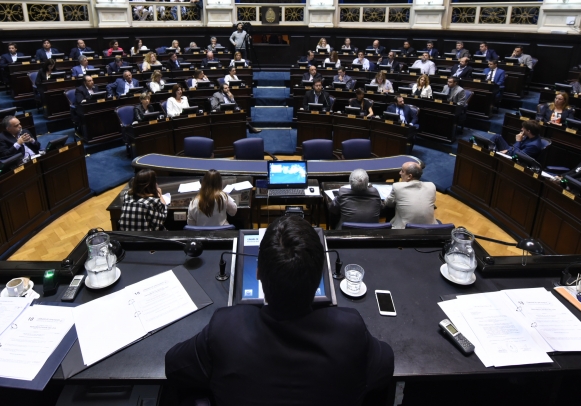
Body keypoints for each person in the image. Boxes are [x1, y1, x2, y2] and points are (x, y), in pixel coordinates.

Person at [165, 214, 394, 405]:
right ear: (319, 282)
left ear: (258, 273)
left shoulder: (225, 328)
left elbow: (173, 365)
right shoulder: (350, 329)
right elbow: (386, 366)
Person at [384, 162, 437, 228]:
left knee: (390, 209)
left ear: (409, 176)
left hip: (404, 230)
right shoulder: (431, 186)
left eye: (402, 171)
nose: (399, 173)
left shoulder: (397, 187)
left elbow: (388, 204)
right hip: (430, 229)